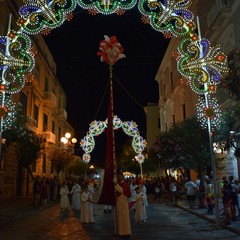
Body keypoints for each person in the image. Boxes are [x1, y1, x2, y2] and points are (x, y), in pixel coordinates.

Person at [114, 172, 132, 238]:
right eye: (118, 176)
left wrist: (116, 185)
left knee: (124, 218)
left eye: (120, 176)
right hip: (118, 202)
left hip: (123, 203)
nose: (119, 177)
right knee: (119, 217)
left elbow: (122, 191)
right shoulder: (118, 184)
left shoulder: (125, 184)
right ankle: (119, 231)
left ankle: (126, 232)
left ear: (123, 177)